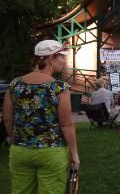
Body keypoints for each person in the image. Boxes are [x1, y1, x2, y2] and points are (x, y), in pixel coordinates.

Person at [2, 40, 79, 193]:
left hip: (20, 151)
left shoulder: (15, 84)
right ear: (50, 58)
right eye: (61, 57)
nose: (64, 61)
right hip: (52, 151)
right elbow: (66, 124)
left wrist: (16, 140)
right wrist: (74, 154)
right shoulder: (59, 87)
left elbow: (7, 118)